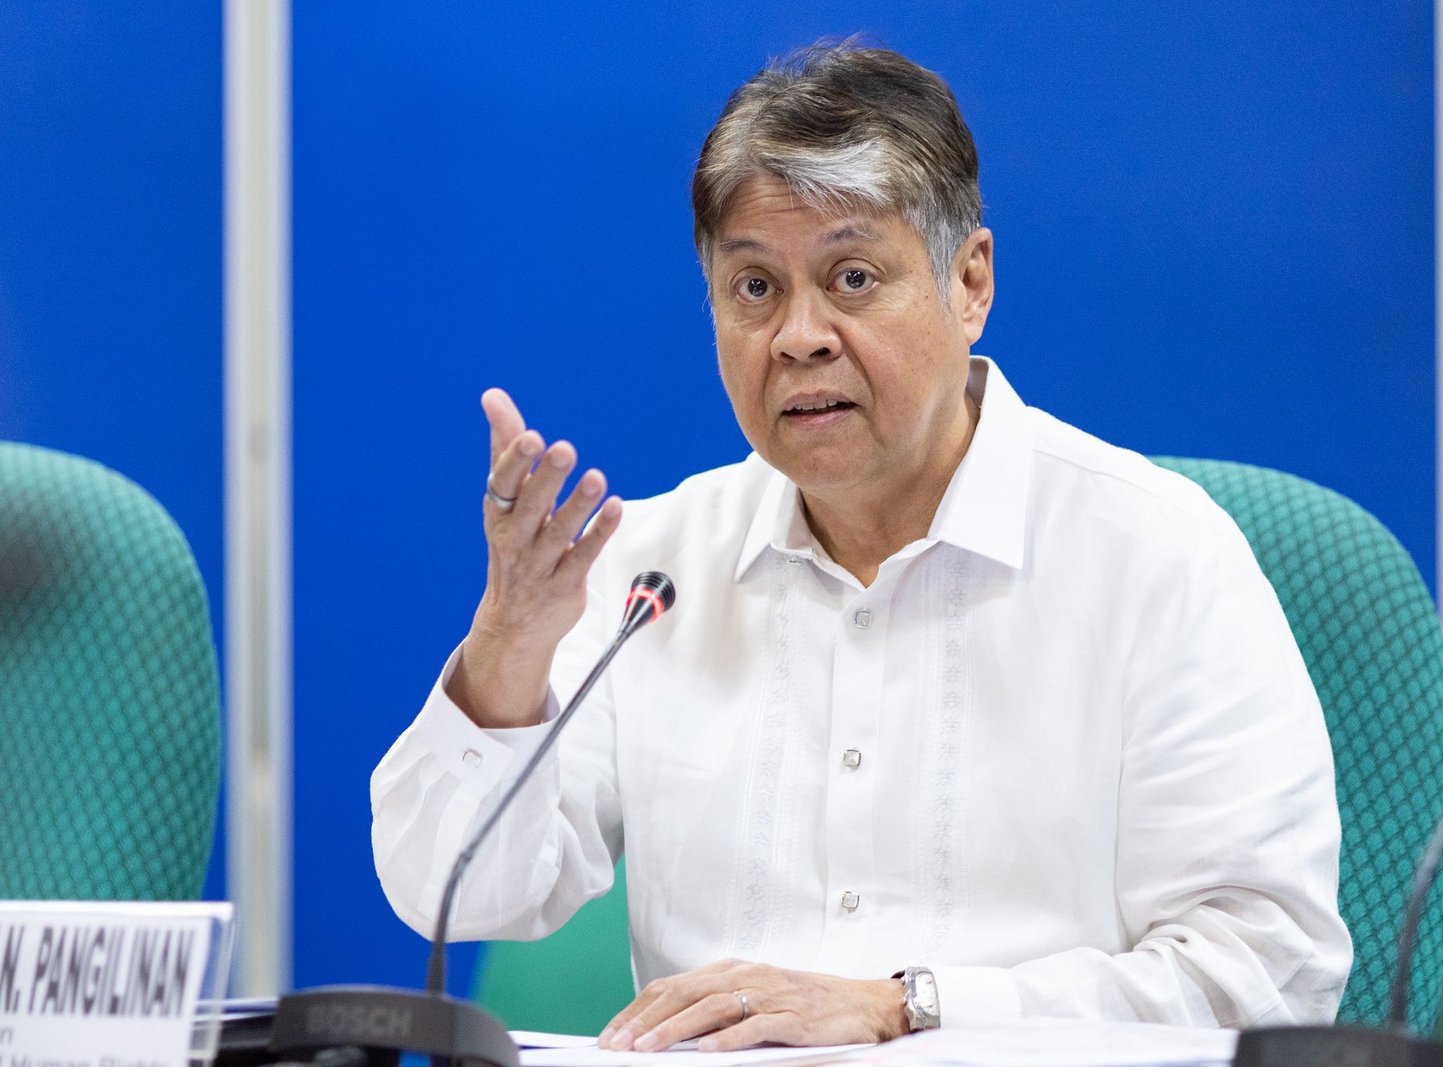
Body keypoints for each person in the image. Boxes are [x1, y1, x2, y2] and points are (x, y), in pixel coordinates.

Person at [372, 41, 1352, 1050]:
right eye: (754, 287)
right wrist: (509, 644)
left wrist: (906, 1008)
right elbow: (452, 889)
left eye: (851, 277)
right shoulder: (651, 574)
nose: (799, 335)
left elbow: (1268, 972)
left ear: (969, 283)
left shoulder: (1156, 557)